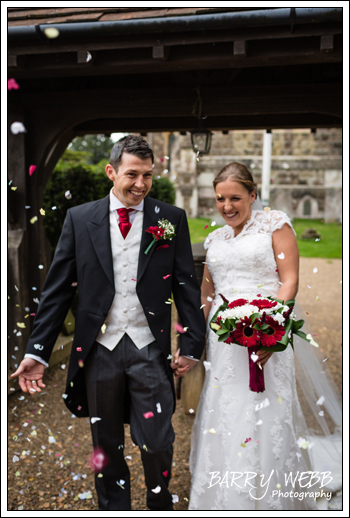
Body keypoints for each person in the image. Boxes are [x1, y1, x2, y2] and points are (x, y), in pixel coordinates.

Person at [11, 135, 206, 511]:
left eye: (147, 175)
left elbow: (185, 286)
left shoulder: (171, 219)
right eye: (132, 174)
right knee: (106, 444)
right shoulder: (80, 219)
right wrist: (37, 351)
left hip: (150, 348)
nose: (141, 184)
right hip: (99, 351)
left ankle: (159, 501)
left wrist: (192, 343)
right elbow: (57, 293)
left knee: (159, 441)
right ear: (111, 171)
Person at [188, 162, 337, 510]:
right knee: (226, 412)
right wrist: (195, 337)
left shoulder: (275, 225)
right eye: (221, 199)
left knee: (265, 414)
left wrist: (269, 328)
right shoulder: (216, 238)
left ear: (253, 195)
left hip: (266, 339)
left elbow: (289, 281)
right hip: (224, 345)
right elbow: (207, 295)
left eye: (236, 198)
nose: (227, 206)